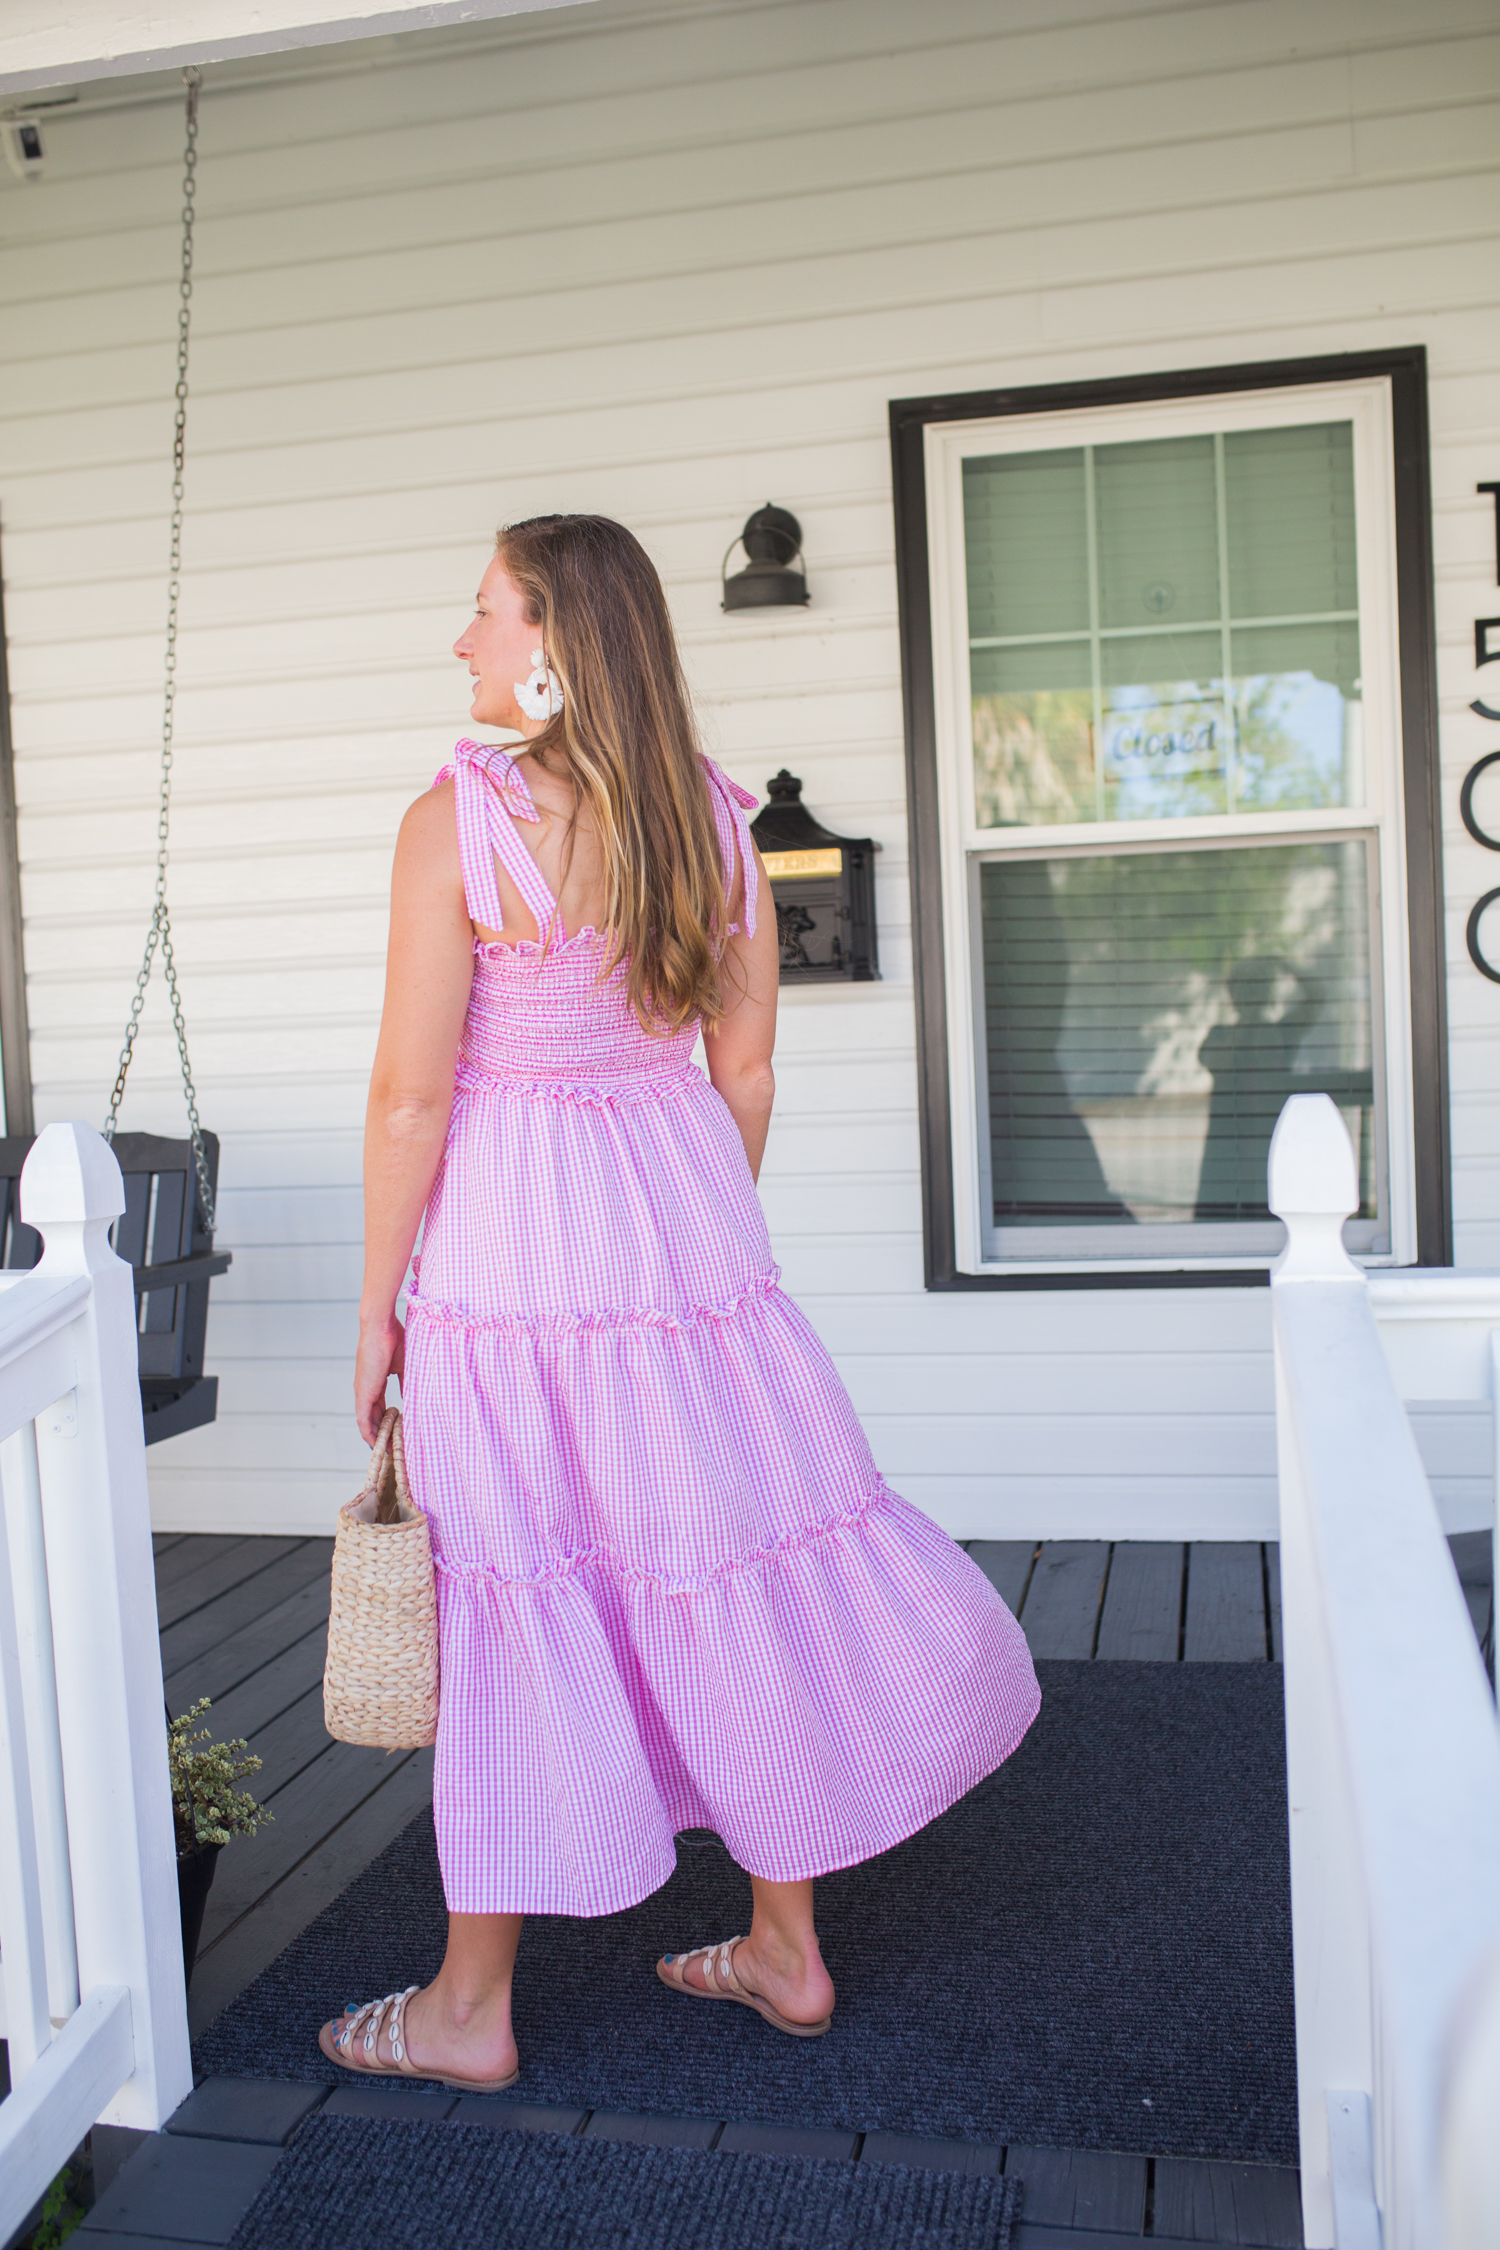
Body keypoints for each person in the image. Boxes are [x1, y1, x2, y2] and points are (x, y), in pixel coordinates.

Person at [320, 514, 1040, 2090]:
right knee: (723, 1555)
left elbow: (408, 1105)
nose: (465, 643)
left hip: (509, 1253)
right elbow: (748, 1066)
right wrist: (696, 1241)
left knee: (514, 1589)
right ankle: (786, 1944)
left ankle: (469, 2006)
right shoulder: (718, 824)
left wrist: (378, 1305)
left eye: (489, 613)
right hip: (682, 1229)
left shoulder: (457, 822)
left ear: (560, 645)